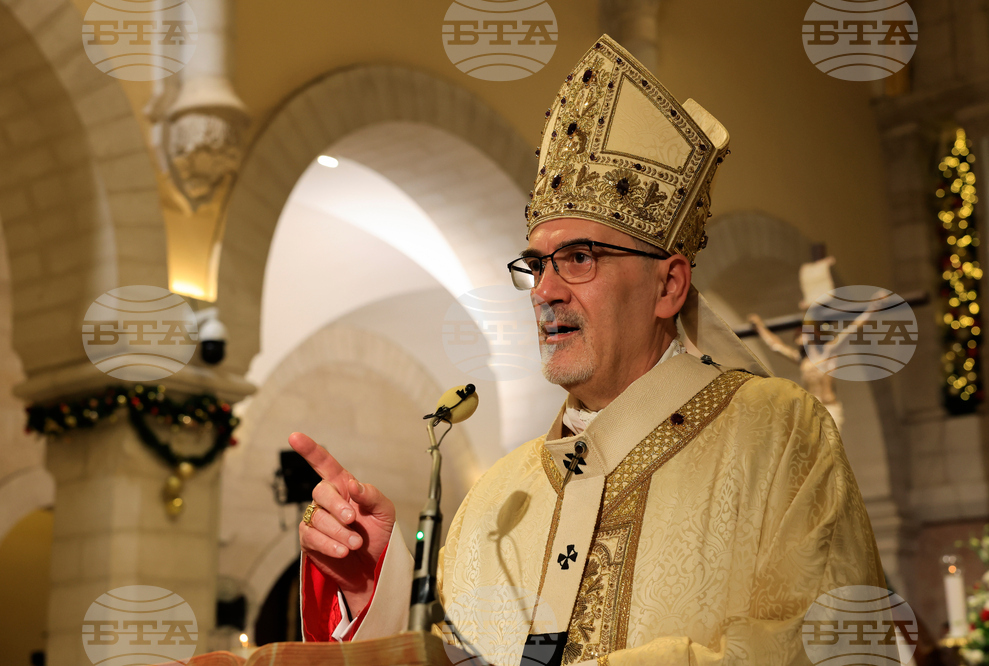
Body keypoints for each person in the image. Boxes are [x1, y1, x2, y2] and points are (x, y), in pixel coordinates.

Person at [291, 34, 887, 666]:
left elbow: (833, 645)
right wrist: (377, 589)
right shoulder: (497, 498)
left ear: (668, 286)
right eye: (536, 264)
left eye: (579, 258)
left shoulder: (777, 434)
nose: (544, 291)